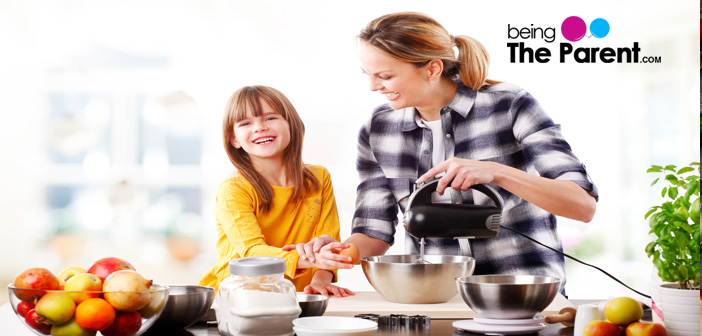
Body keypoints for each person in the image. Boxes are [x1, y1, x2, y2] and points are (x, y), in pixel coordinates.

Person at [287, 12, 598, 294]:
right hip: (434, 296)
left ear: (433, 68)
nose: (373, 87)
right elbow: (374, 231)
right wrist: (343, 251)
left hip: (520, 292)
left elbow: (582, 206)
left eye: (385, 76)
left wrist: (496, 171)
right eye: (368, 74)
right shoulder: (378, 129)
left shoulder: (509, 104)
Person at [199, 85, 354, 297]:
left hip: (296, 298)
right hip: (237, 298)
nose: (259, 127)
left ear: (291, 124)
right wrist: (313, 259)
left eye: (270, 118)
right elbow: (252, 252)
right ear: (234, 139)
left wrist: (320, 280)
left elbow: (328, 239)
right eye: (245, 123)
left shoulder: (319, 178)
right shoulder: (234, 189)